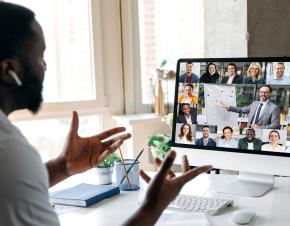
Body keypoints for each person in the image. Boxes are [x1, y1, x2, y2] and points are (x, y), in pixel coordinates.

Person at [0, 3, 213, 226]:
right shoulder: (10, 153)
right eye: (40, 58)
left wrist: (61, 166)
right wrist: (154, 205)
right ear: (8, 70)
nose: (45, 68)